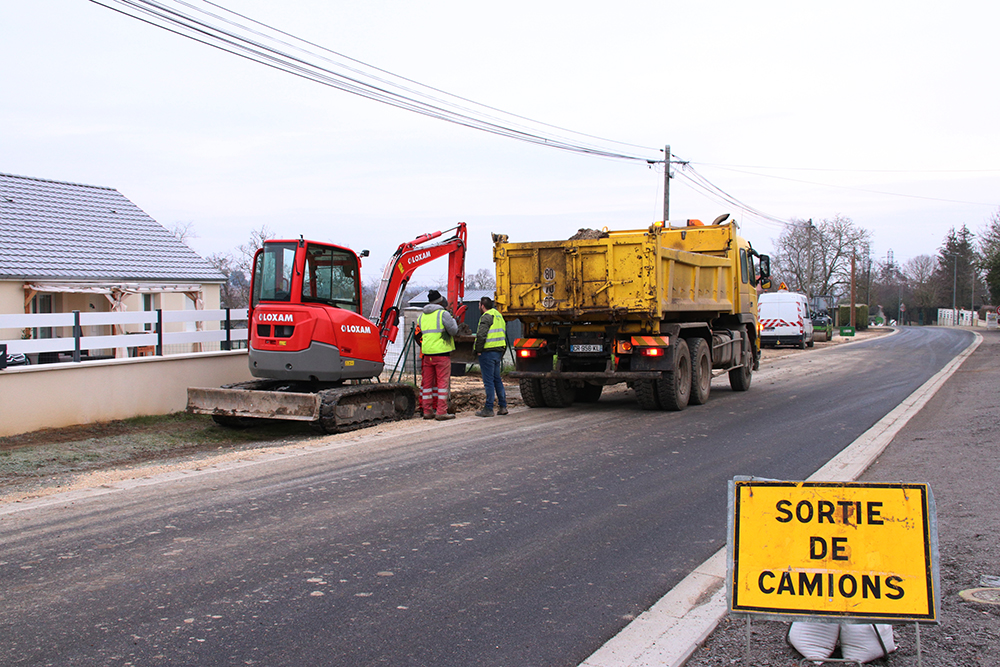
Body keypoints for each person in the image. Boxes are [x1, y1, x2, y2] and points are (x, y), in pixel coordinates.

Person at [415, 289, 459, 421]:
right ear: (440, 301)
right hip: (441, 353)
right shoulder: (443, 314)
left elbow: (419, 334)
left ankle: (427, 411)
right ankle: (441, 412)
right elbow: (454, 331)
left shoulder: (421, 316)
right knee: (442, 384)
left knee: (427, 384)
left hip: (427, 354)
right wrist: (454, 320)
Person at [474, 296, 508, 417]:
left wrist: (478, 350)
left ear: (482, 306)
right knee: (496, 379)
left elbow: (481, 335)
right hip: (498, 351)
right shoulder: (499, 316)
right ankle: (503, 406)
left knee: (488, 381)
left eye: (479, 305)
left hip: (487, 352)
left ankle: (489, 408)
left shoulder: (486, 317)